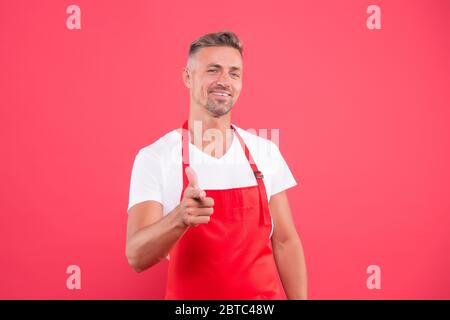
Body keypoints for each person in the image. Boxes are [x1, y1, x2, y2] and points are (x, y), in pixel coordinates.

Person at [126, 30, 308, 299]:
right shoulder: (155, 158)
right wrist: (179, 218)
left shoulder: (264, 152)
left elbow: (285, 241)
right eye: (213, 70)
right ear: (187, 77)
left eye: (234, 73)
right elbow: (136, 256)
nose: (225, 81)